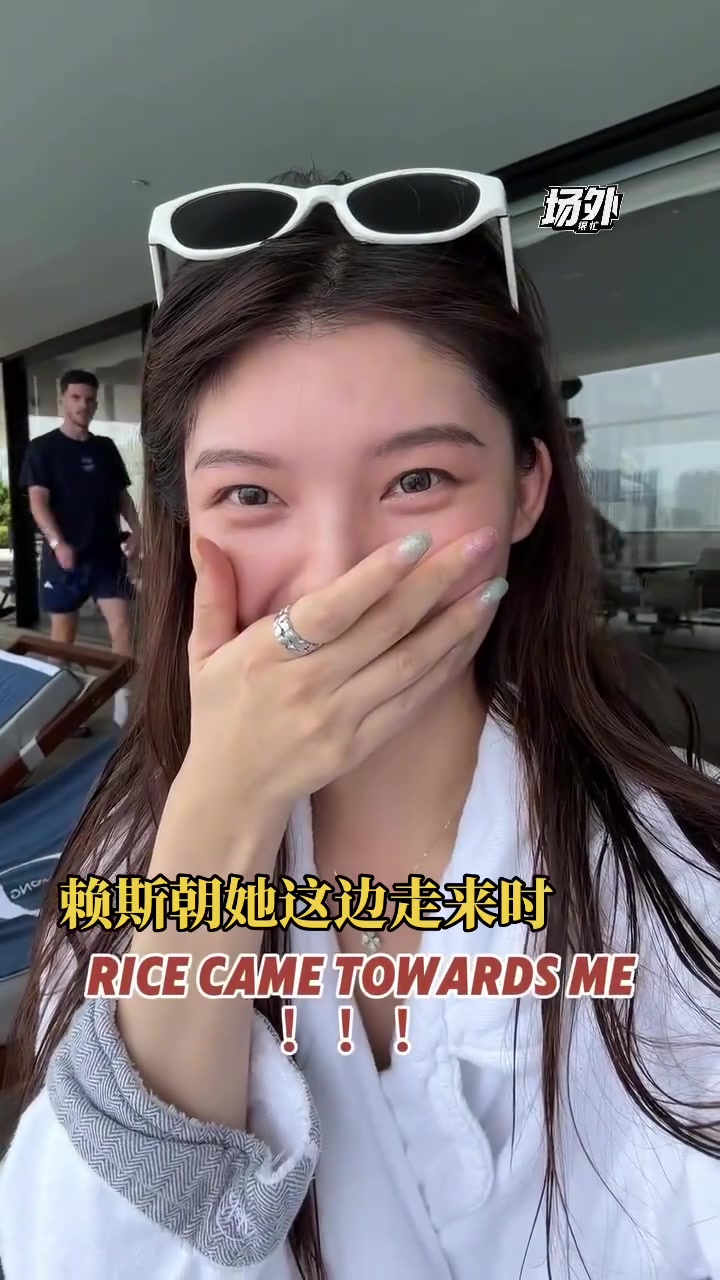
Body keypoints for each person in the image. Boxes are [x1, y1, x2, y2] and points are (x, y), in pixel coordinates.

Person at [2, 169, 719, 1279]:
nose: (336, 572)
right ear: (181, 519)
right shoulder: (125, 860)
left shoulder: (688, 869)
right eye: (252, 495)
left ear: (528, 489)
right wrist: (223, 806)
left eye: (418, 478)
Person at [20, 368, 140, 657]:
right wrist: (57, 543)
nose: (82, 405)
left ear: (96, 404)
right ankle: (63, 685)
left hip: (106, 555)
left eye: (89, 400)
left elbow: (122, 496)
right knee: (63, 639)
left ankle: (121, 688)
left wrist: (138, 529)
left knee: (123, 626)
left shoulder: (105, 448)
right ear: (62, 400)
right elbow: (38, 502)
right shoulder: (42, 449)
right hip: (65, 557)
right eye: (75, 397)